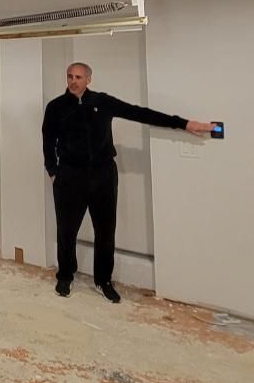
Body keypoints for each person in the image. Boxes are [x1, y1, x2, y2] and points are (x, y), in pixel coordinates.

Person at [42, 62, 214, 303]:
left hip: (103, 174)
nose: (73, 81)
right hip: (70, 175)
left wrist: (184, 123)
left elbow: (139, 113)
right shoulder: (56, 107)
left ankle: (103, 280)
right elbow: (48, 139)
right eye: (70, 76)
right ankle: (65, 275)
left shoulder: (102, 102)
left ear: (89, 80)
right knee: (66, 230)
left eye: (79, 77)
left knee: (105, 230)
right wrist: (53, 171)